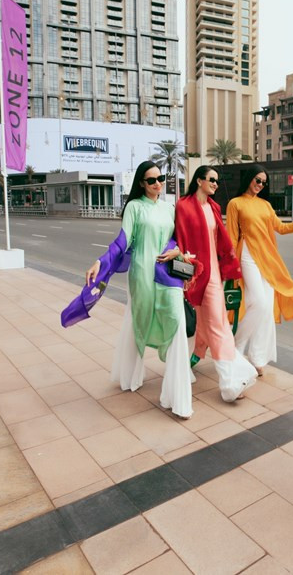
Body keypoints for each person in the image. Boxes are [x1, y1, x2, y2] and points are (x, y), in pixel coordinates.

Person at [84, 161, 194, 419]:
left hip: (167, 275)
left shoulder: (169, 208)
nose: (158, 183)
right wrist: (100, 262)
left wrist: (177, 250)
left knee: (176, 322)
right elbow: (122, 242)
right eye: (151, 180)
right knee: (139, 321)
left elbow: (177, 237)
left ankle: (176, 396)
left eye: (160, 178)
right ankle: (131, 374)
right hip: (143, 274)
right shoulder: (134, 207)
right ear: (142, 184)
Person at [175, 166, 258, 402]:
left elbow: (220, 240)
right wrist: (185, 275)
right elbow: (181, 239)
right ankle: (230, 384)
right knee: (217, 326)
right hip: (198, 274)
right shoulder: (184, 205)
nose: (216, 184)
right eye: (212, 180)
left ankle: (190, 361)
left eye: (217, 181)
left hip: (215, 274)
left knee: (210, 322)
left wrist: (227, 270)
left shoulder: (214, 207)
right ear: (199, 180)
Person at [225, 164, 293, 375]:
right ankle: (236, 346)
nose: (260, 185)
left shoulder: (265, 205)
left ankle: (256, 358)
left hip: (267, 257)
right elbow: (231, 236)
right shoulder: (235, 203)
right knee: (258, 302)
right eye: (257, 180)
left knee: (265, 308)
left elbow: (282, 228)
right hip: (247, 254)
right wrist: (229, 265)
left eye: (263, 183)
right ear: (249, 179)